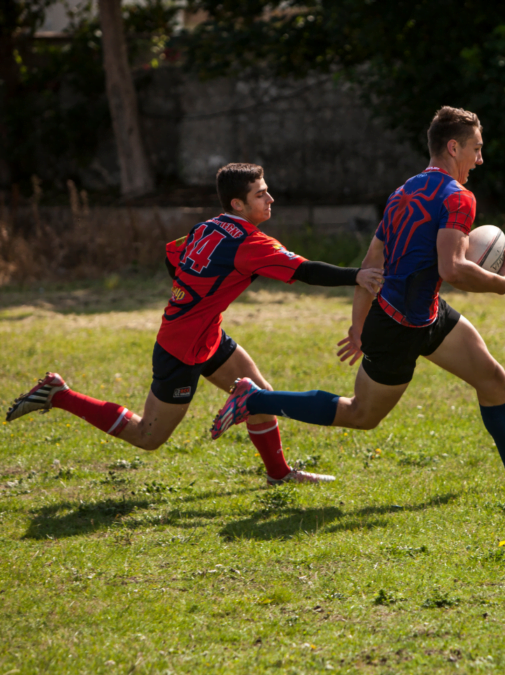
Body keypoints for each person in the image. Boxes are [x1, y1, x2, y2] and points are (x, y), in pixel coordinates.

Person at [211, 108, 505, 487]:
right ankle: (254, 400)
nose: (479, 159)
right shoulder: (458, 197)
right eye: (476, 149)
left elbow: (371, 264)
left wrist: (358, 324)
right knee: (361, 415)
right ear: (453, 147)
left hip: (427, 316)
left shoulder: (402, 192)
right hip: (398, 327)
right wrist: (501, 283)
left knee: (491, 378)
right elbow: (452, 268)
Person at [6, 163, 384, 485]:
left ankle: (279, 474)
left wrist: (194, 298)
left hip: (206, 335)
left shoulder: (210, 226)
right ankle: (59, 394)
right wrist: (357, 276)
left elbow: (174, 253)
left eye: (268, 192)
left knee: (260, 396)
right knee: (147, 437)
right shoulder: (252, 244)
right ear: (238, 203)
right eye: (260, 195)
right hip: (181, 349)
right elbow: (305, 270)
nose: (270, 200)